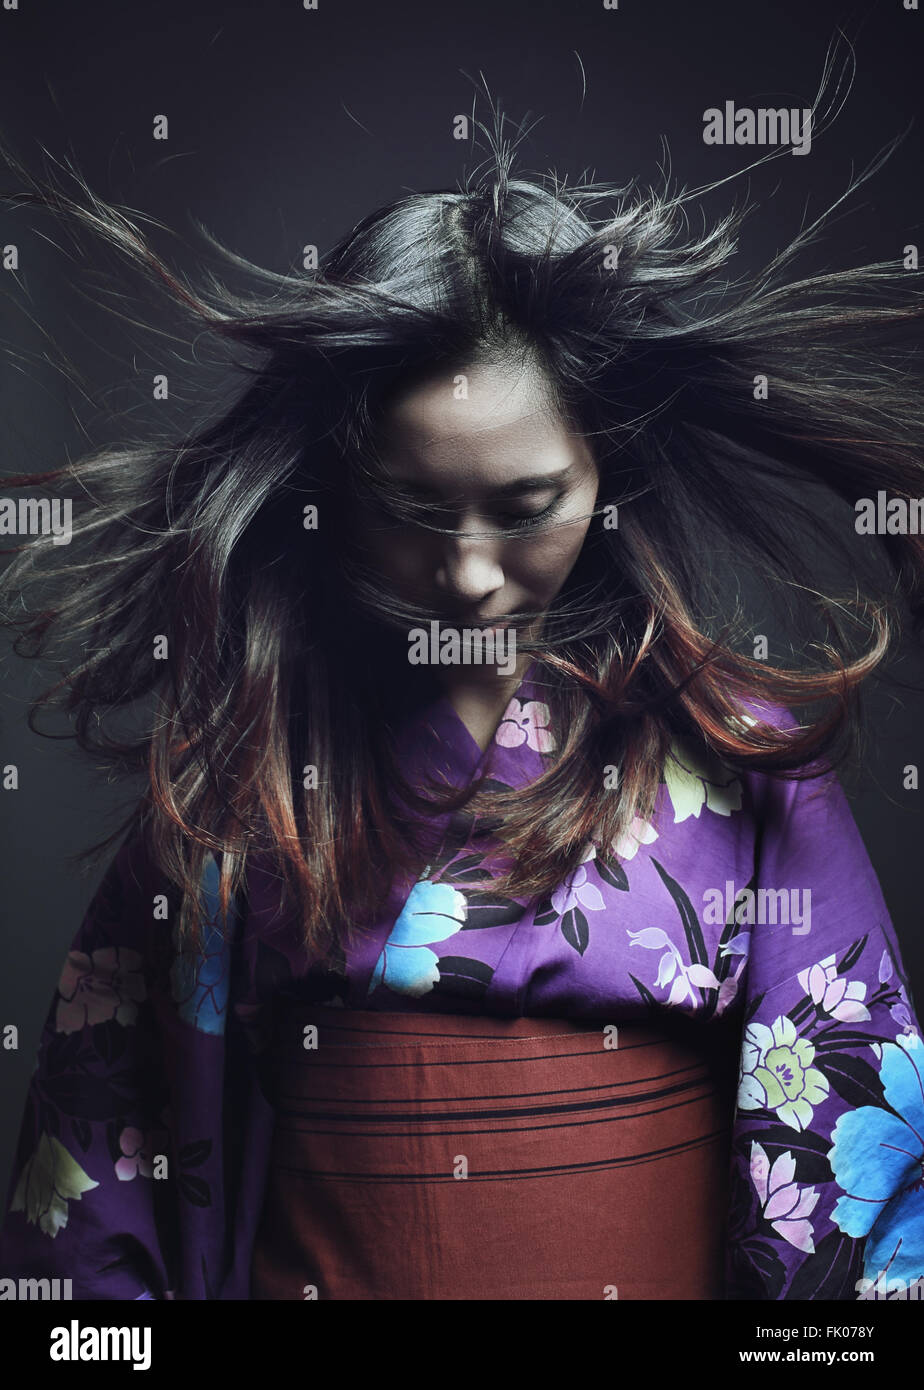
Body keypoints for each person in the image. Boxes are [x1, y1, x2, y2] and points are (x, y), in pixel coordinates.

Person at [0, 95, 922, 1302]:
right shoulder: (243, 776)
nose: (471, 572)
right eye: (417, 509)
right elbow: (93, 1196)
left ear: (607, 472)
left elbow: (858, 1165)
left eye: (529, 505)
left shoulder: (739, 760)